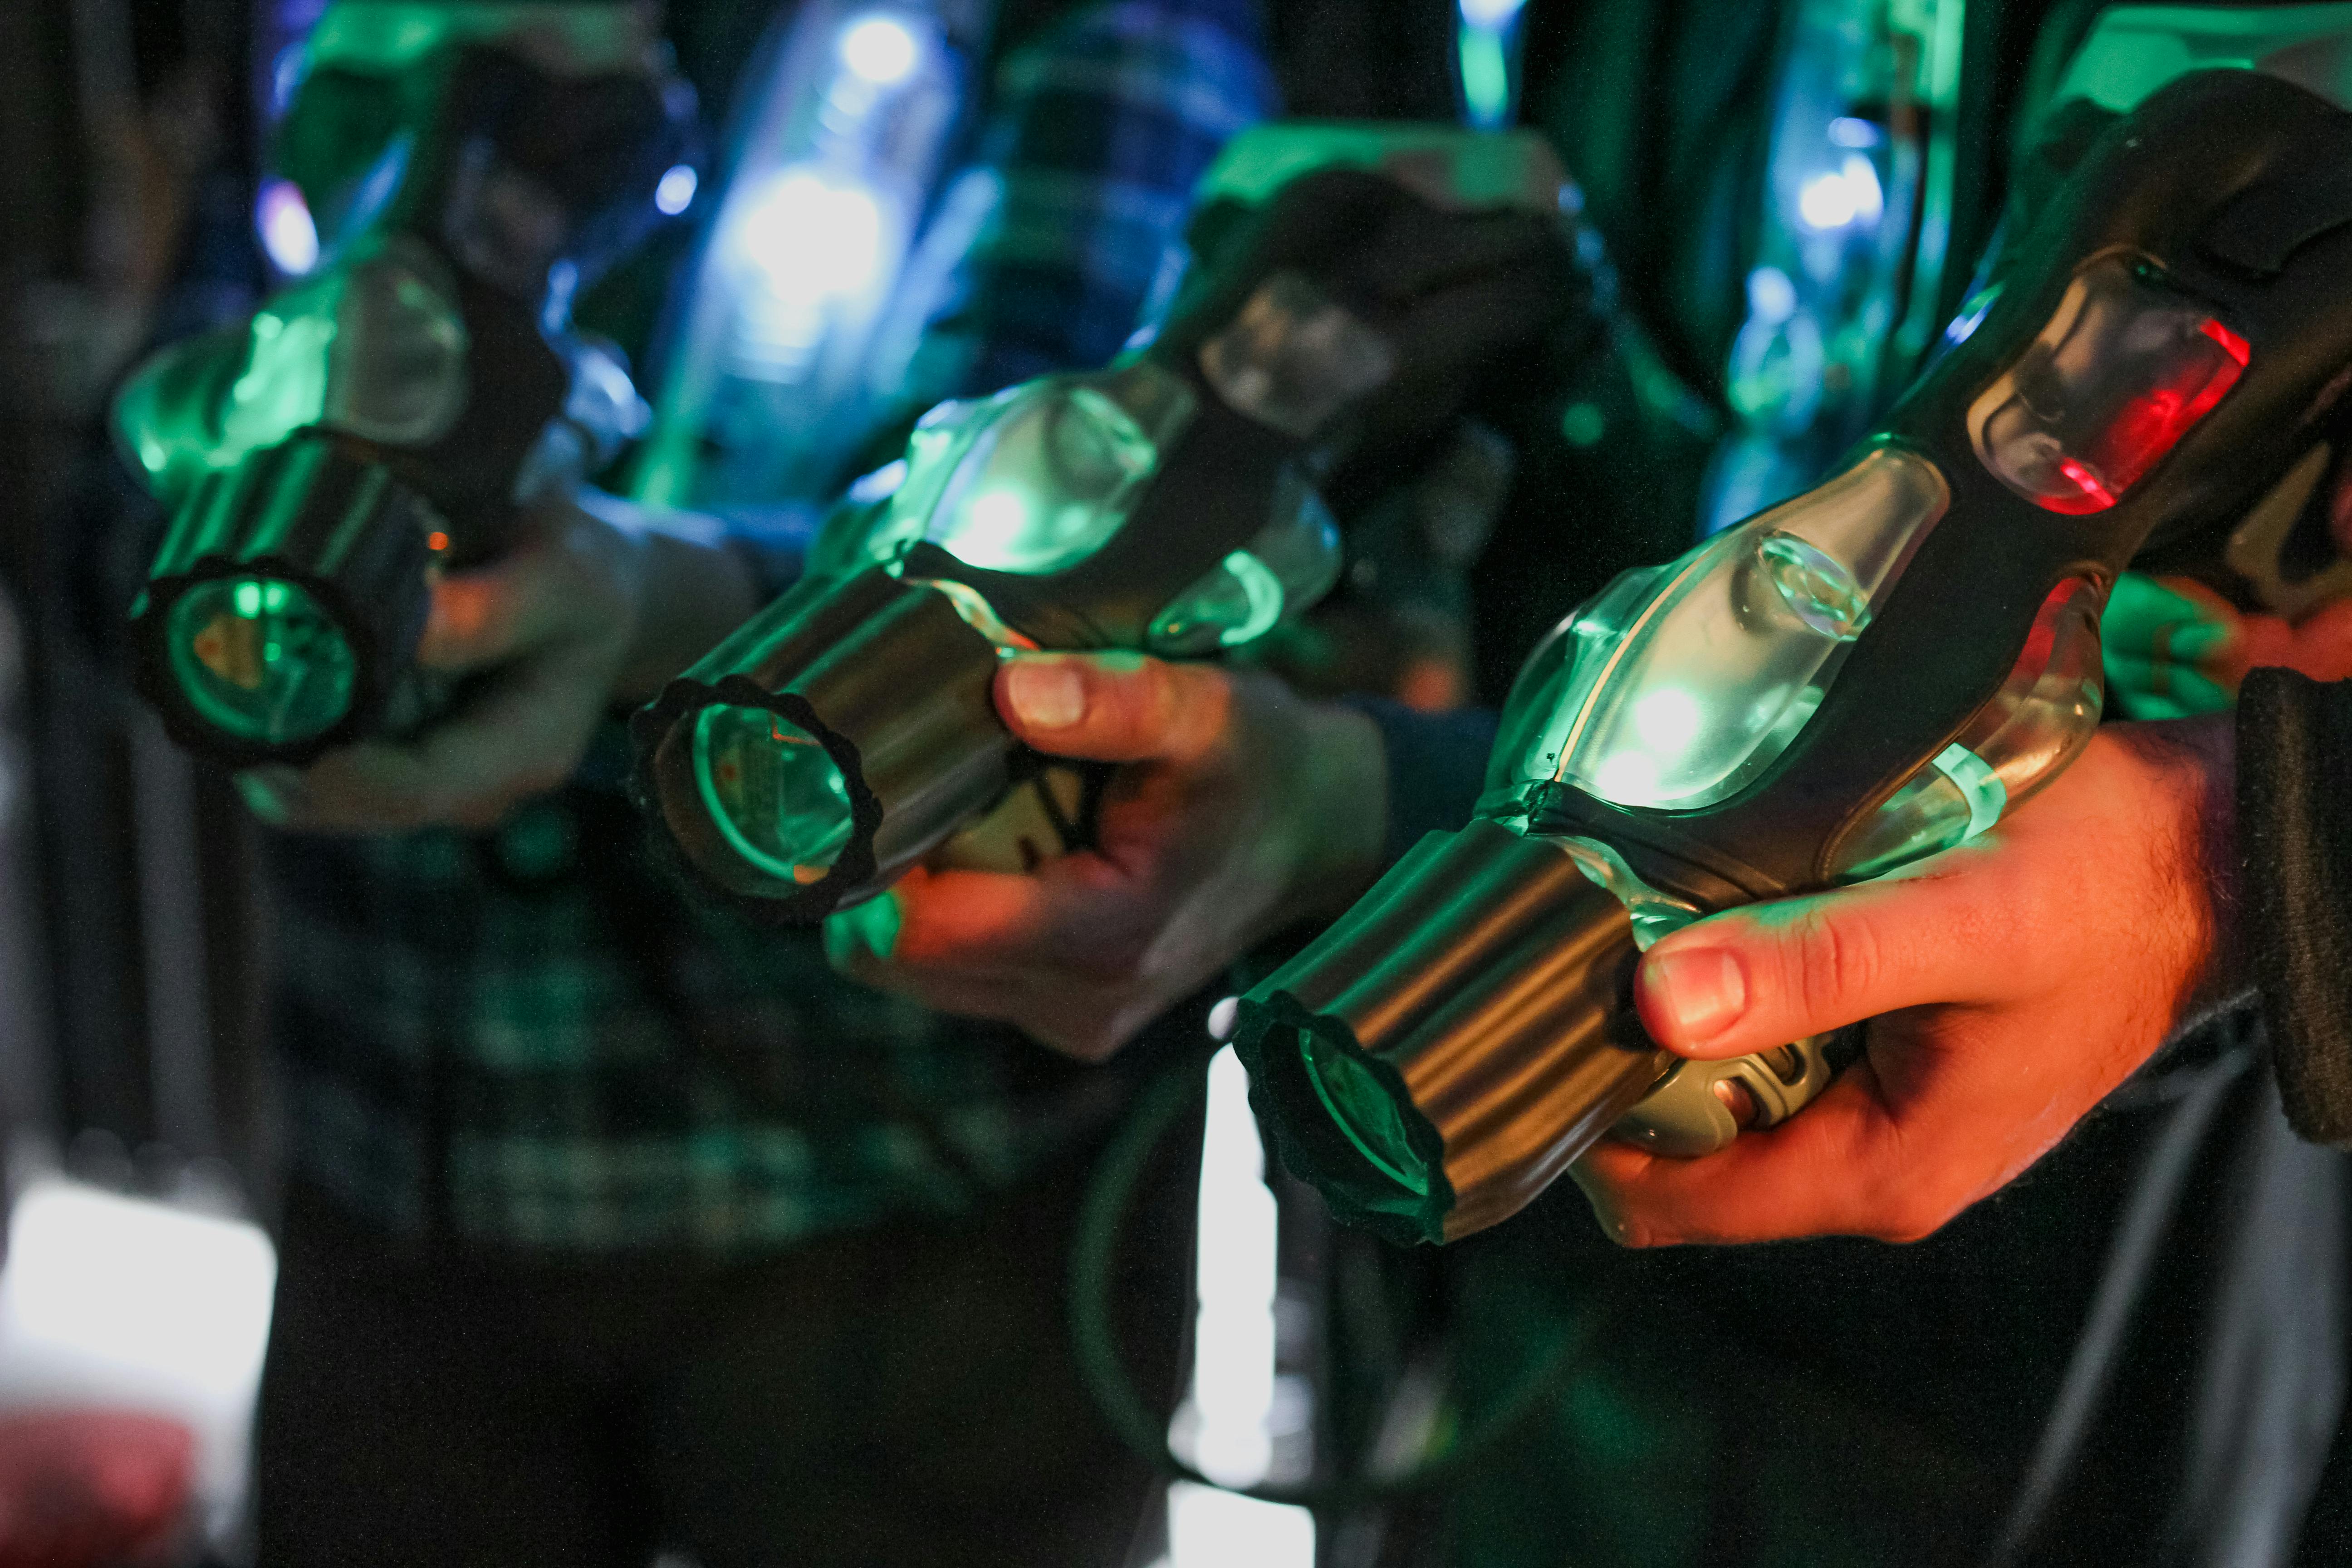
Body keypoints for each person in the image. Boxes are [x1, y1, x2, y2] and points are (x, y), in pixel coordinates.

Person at [137, 2, 1278, 1563]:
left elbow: (1068, 589)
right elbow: (115, 494)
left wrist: (653, 602)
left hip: (895, 1211)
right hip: (395, 1172)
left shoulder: (1067, 41)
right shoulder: (354, 41)